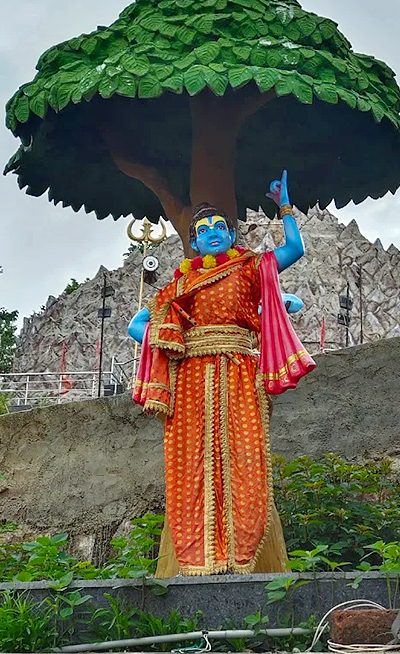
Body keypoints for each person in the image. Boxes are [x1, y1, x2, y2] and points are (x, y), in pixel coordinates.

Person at [128, 170, 315, 576]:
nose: (212, 233)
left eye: (220, 228)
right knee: (191, 464)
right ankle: (198, 561)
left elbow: (294, 249)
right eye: (204, 230)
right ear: (194, 242)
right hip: (191, 379)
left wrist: (284, 206)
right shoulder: (180, 283)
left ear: (231, 236)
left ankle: (243, 558)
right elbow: (136, 325)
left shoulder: (249, 268)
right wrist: (166, 340)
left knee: (245, 457)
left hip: (238, 372)